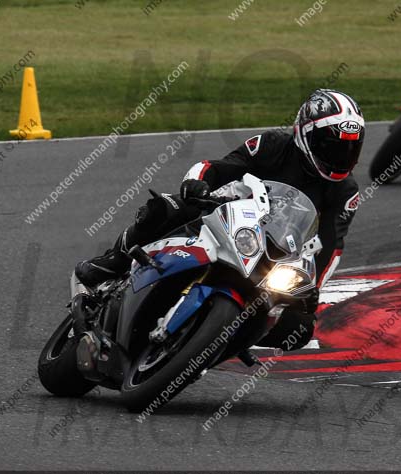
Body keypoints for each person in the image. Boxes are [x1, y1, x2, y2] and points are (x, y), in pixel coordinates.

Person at [75, 89, 365, 349]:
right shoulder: (272, 144)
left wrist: (312, 289)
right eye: (332, 147)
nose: (341, 156)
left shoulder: (346, 191)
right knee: (163, 209)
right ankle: (114, 261)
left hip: (275, 254)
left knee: (299, 328)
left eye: (351, 148)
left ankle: (218, 342)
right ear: (306, 134)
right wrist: (198, 184)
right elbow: (220, 167)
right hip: (226, 214)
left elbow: (330, 246)